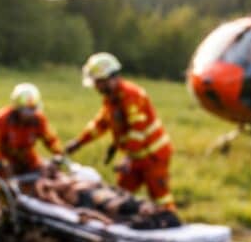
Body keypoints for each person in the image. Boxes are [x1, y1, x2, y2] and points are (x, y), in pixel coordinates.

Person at [64, 53, 176, 211]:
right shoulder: (111, 99)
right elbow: (100, 125)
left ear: (109, 79)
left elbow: (137, 129)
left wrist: (128, 157)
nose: (96, 87)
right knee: (120, 195)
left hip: (153, 156)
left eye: (98, 82)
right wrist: (79, 142)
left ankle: (171, 221)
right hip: (135, 157)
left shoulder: (131, 95)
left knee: (160, 198)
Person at [24, 164, 180, 230]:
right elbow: (56, 202)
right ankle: (148, 220)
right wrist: (95, 216)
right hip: (94, 200)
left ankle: (160, 217)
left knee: (138, 202)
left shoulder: (70, 177)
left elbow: (99, 183)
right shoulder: (46, 185)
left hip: (104, 192)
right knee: (121, 205)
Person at [0, 83, 63, 177]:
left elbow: (51, 140)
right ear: (17, 108)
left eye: (33, 109)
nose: (30, 114)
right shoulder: (1, 119)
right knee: (0, 180)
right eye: (26, 110)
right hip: (5, 159)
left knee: (48, 174)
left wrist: (58, 154)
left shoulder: (39, 119)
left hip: (27, 159)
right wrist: (3, 163)